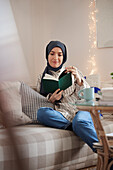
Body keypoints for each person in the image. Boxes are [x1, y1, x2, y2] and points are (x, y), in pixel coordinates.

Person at [36, 40, 98, 152]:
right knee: (41, 113)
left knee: (79, 121)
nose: (56, 58)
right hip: (62, 114)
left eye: (60, 55)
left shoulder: (73, 71)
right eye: (52, 53)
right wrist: (51, 99)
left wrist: (79, 80)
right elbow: (41, 101)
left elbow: (88, 96)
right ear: (47, 55)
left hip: (80, 110)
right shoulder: (42, 78)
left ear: (64, 57)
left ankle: (107, 155)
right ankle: (75, 126)